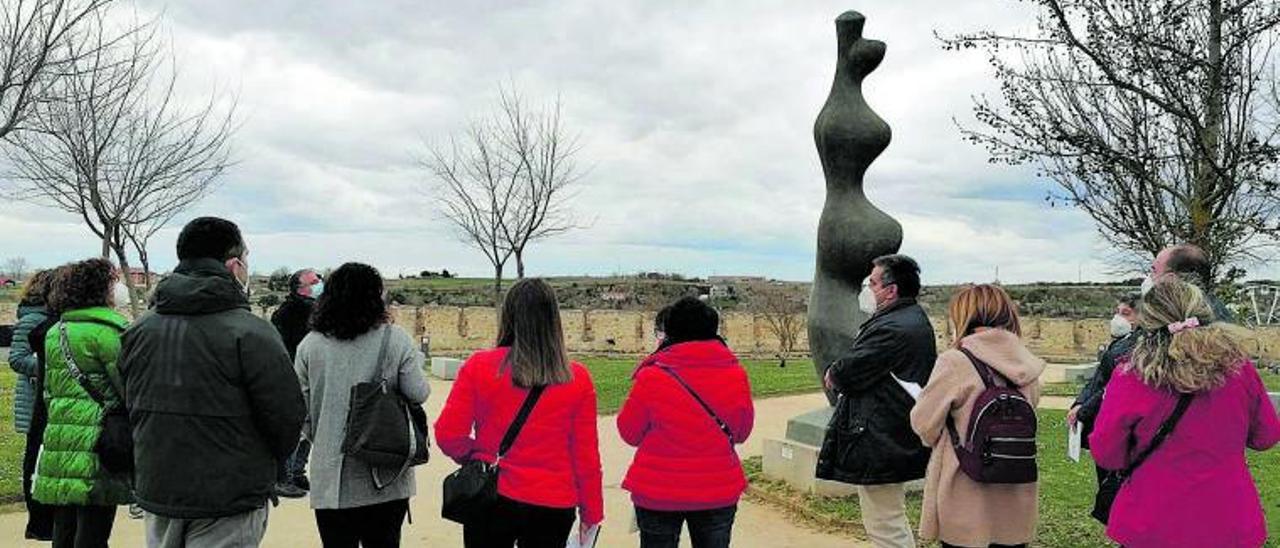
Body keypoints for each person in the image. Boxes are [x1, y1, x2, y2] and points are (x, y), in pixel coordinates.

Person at [118, 217, 306, 548]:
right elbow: (286, 417)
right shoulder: (252, 332)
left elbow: (126, 402)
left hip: (158, 484)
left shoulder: (139, 330)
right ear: (235, 265)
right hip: (229, 493)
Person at [1090, 277, 1280, 547]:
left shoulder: (1132, 377)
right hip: (1229, 518)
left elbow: (1108, 452)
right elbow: (1266, 436)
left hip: (1153, 519)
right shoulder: (1239, 370)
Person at [435, 278, 604, 548]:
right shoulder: (577, 379)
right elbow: (585, 457)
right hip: (553, 500)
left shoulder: (479, 367)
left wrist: (476, 456)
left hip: (492, 495)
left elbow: (448, 434)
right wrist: (592, 512)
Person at [295, 262, 429, 547]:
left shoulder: (310, 344)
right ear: (376, 295)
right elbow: (419, 393)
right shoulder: (396, 339)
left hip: (331, 477)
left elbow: (300, 411)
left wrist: (323, 434)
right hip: (385, 474)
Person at [816, 254, 936, 548]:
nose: (866, 289)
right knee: (888, 518)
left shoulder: (893, 328)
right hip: (891, 431)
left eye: (872, 283)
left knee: (885, 524)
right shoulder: (906, 319)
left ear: (890, 290)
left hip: (883, 435)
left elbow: (849, 370)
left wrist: (834, 371)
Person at [910, 284, 1043, 548]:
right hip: (1015, 488)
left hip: (965, 490)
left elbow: (924, 424)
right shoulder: (1027, 363)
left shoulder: (955, 362)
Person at [617, 297, 754, 548]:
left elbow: (629, 432)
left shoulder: (652, 376)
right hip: (717, 488)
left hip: (659, 490)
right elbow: (742, 431)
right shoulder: (736, 374)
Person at [33, 259, 132, 548]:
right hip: (98, 441)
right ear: (103, 288)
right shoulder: (107, 332)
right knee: (94, 529)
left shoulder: (57, 331)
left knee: (65, 525)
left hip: (62, 438)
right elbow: (127, 388)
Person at [1067, 293, 1140, 490]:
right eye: (1117, 312)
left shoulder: (1136, 346)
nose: (1119, 318)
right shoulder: (1119, 342)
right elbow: (1098, 378)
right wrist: (1080, 402)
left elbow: (1110, 387)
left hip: (1116, 421)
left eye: (1126, 313)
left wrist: (1083, 411)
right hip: (1103, 420)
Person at [11, 270, 54, 540]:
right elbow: (16, 358)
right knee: (33, 460)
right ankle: (37, 521)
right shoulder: (31, 320)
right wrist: (47, 367)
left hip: (45, 398)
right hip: (33, 399)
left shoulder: (49, 319)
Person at [272, 268, 323, 497]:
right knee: (296, 428)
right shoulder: (291, 313)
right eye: (314, 281)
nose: (319, 283)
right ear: (301, 288)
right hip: (294, 377)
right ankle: (284, 477)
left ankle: (297, 472)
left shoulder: (314, 311)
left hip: (310, 375)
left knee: (308, 426)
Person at [1149, 244, 1232, 322]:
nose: (1150, 276)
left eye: (1154, 270)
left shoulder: (1191, 321)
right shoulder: (1215, 311)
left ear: (1171, 279)